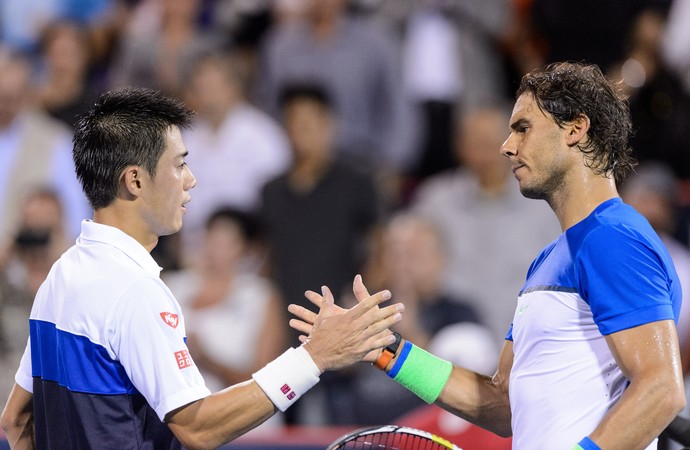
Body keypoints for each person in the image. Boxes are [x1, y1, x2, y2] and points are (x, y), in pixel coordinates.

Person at [290, 62, 686, 449]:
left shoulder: (613, 238)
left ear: (576, 129)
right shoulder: (550, 257)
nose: (506, 146)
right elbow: (502, 405)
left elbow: (661, 390)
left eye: (523, 128)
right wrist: (384, 349)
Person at [0, 86, 404, 449]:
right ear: (135, 181)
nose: (191, 180)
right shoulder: (134, 291)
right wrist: (314, 356)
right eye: (179, 165)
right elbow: (199, 427)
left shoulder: (62, 275)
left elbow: (16, 421)